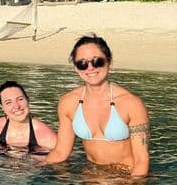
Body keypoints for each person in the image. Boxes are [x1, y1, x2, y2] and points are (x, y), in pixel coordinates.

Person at [45, 34, 150, 177]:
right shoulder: (68, 102)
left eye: (97, 61)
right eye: (82, 64)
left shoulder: (131, 104)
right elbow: (60, 152)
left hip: (126, 178)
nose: (90, 68)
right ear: (76, 68)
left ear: (110, 62)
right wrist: (36, 172)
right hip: (91, 176)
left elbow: (141, 160)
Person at [0, 80, 57, 153]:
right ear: (3, 108)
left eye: (20, 99)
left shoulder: (46, 136)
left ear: (28, 100)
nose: (16, 106)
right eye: (8, 102)